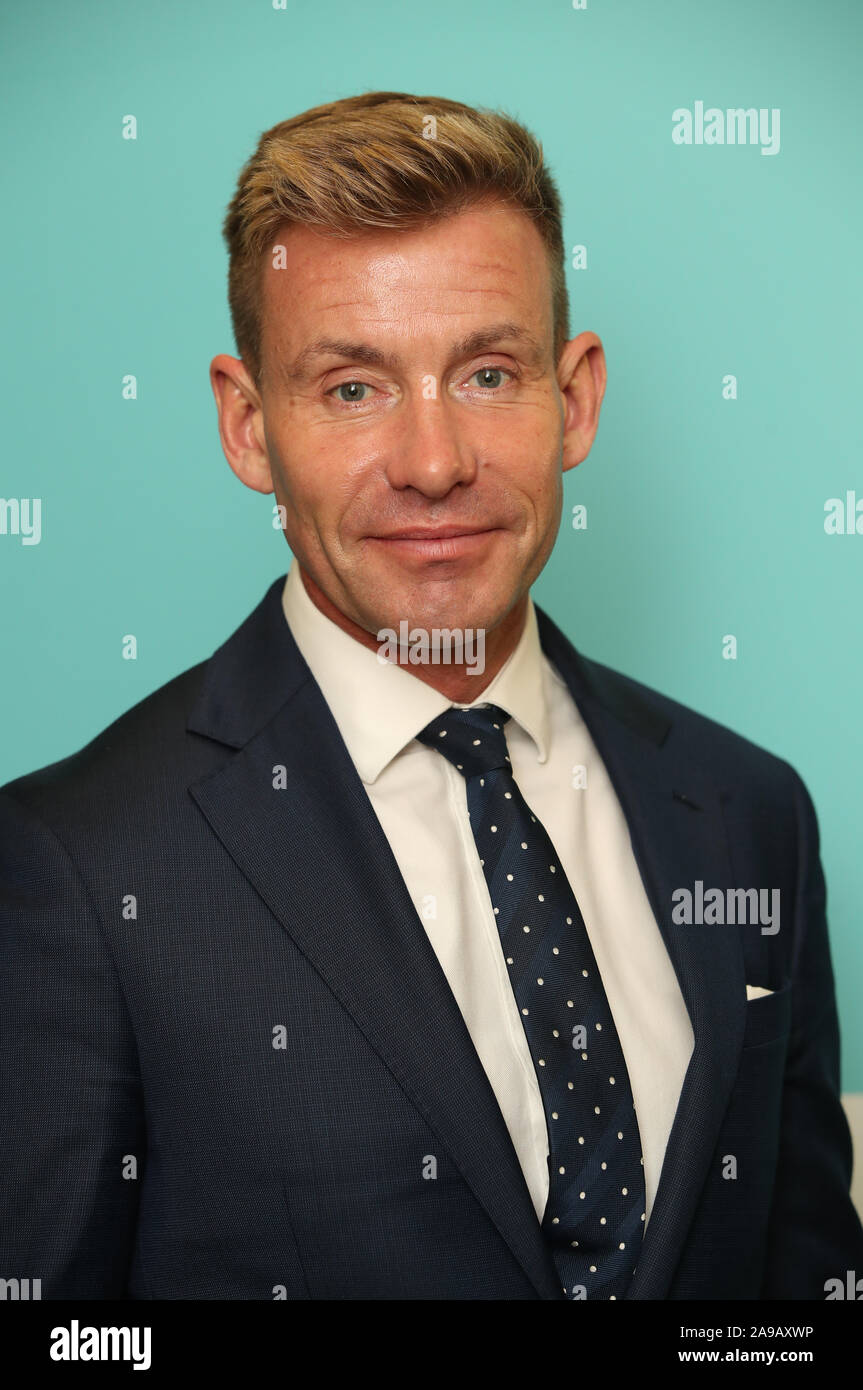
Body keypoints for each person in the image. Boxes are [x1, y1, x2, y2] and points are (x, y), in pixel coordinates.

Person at [1, 91, 860, 1301]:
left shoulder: (748, 807)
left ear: (576, 398)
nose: (434, 461)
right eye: (352, 388)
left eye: (489, 374)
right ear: (249, 428)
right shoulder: (76, 865)